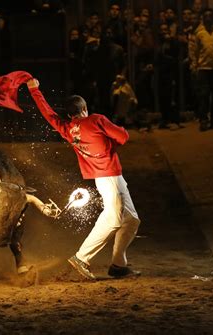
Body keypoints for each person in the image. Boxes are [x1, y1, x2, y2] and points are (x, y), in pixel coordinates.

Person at [27, 78, 141, 280]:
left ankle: (118, 265)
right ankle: (81, 257)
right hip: (110, 177)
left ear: (70, 114)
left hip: (105, 179)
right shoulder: (96, 120)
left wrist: (35, 90)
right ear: (84, 108)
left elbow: (48, 113)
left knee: (131, 220)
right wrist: (110, 144)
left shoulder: (67, 129)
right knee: (113, 219)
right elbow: (124, 136)